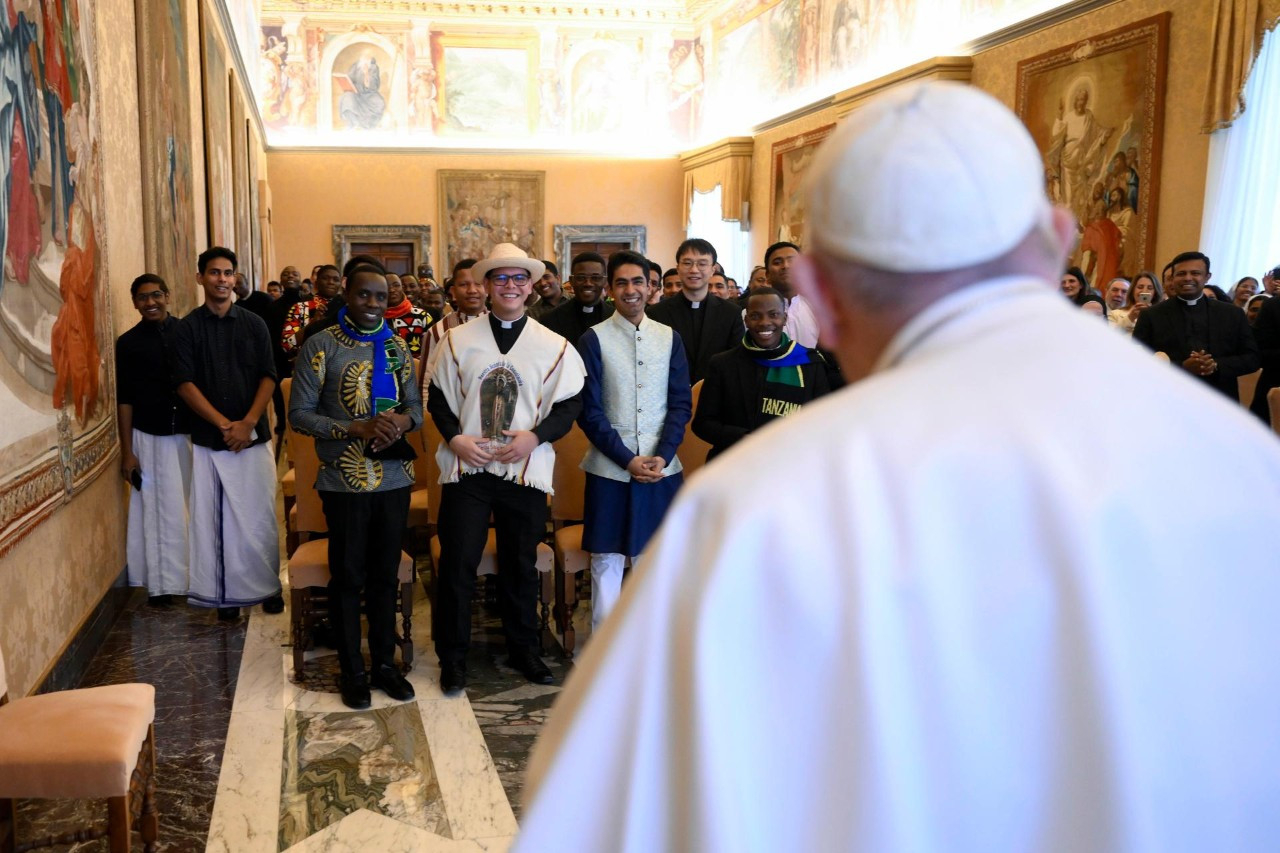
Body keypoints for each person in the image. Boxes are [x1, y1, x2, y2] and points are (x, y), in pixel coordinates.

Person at [515, 80, 1280, 852]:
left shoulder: (757, 506)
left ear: (818, 294)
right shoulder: (1248, 464)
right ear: (1057, 239)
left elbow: (594, 818)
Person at [427, 243, 586, 694]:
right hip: (469, 468)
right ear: (486, 285)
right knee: (458, 563)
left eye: (519, 278)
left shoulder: (553, 344)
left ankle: (525, 650)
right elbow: (438, 398)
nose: (510, 286)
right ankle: (453, 658)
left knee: (521, 563)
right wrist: (455, 438)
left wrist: (536, 437)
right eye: (501, 278)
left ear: (531, 286)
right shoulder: (456, 340)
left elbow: (570, 402)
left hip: (523, 469)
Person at [290, 264, 422, 709]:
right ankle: (352, 670)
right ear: (346, 293)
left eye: (380, 297)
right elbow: (300, 415)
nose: (373, 304)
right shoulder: (321, 345)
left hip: (394, 478)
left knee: (384, 576)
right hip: (344, 481)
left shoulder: (396, 346)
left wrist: (400, 422)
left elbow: (416, 408)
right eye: (364, 294)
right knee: (348, 577)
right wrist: (356, 428)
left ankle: (384, 665)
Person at [575, 251, 691, 631]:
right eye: (621, 282)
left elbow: (680, 403)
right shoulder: (593, 339)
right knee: (606, 558)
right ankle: (604, 649)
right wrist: (626, 459)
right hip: (610, 466)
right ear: (610, 289)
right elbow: (589, 411)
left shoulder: (669, 338)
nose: (630, 290)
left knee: (654, 559)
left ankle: (650, 645)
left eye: (638, 281)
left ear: (651, 286)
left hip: (662, 467)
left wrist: (664, 455)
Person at [172, 247, 283, 621]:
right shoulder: (187, 328)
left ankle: (268, 587)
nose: (222, 279)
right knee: (218, 520)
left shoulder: (254, 324)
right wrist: (225, 425)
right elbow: (184, 384)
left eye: (228, 273)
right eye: (214, 272)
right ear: (200, 277)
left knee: (259, 516)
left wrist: (248, 423)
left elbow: (269, 375)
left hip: (253, 436)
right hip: (211, 441)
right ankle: (228, 595)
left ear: (235, 278)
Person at [116, 274, 192, 605]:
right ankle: (162, 585)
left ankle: (193, 579)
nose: (151, 302)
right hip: (149, 436)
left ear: (167, 296)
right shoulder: (128, 343)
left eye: (156, 295)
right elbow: (125, 399)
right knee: (158, 512)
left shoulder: (187, 332)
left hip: (188, 434)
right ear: (135, 303)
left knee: (190, 508)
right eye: (143, 297)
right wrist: (127, 451)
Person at [692, 287, 832, 460]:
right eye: (755, 316)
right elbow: (703, 424)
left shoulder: (810, 363)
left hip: (790, 461)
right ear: (746, 320)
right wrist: (744, 439)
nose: (765, 322)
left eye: (773, 314)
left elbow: (822, 422)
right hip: (734, 460)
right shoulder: (723, 364)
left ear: (785, 318)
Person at [1133, 251, 1258, 399]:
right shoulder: (1151, 315)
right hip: (1168, 397)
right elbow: (1136, 360)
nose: (1187, 278)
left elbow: (1252, 358)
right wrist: (1181, 367)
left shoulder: (1232, 314)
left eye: (1195, 273)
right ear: (1172, 278)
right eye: (1181, 274)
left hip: (1220, 398)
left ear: (1207, 277)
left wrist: (1215, 365)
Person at [646, 239, 745, 383]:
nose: (694, 270)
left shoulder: (731, 313)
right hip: (671, 392)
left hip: (716, 391)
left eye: (702, 264)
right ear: (678, 268)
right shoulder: (656, 313)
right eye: (687, 263)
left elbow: (736, 361)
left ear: (712, 270)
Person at [419, 259, 487, 382]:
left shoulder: (499, 325)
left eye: (478, 283)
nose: (472, 290)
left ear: (487, 288)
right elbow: (426, 381)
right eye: (464, 284)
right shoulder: (437, 332)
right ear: (453, 292)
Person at [541, 252, 615, 344]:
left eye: (595, 278)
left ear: (604, 281)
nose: (588, 283)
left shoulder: (615, 317)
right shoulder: (550, 320)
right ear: (571, 281)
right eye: (581, 278)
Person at [765, 241, 819, 347]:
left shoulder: (818, 309)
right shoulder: (753, 312)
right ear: (767, 275)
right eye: (777, 262)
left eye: (792, 261)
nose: (785, 266)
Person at [282, 264, 342, 359]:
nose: (331, 282)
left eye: (336, 279)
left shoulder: (347, 308)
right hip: (307, 362)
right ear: (316, 282)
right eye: (325, 278)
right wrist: (313, 323)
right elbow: (287, 345)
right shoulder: (300, 307)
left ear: (340, 284)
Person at [384, 268, 433, 356]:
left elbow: (433, 349)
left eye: (396, 285)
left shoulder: (422, 316)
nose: (391, 290)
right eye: (386, 286)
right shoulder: (376, 317)